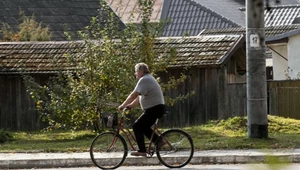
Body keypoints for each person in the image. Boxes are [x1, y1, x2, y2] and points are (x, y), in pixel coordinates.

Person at [118, 62, 166, 157]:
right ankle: (158, 141)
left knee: (136, 126)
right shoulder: (147, 78)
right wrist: (130, 106)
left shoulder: (144, 79)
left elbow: (133, 95)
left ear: (141, 71)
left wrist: (122, 105)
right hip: (156, 109)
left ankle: (142, 150)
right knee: (143, 127)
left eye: (136, 71)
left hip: (154, 109)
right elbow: (139, 97)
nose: (135, 73)